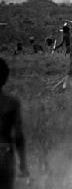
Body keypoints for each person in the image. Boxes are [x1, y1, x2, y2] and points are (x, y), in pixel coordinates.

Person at [0, 58, 29, 189]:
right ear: (5, 78)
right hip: (5, 154)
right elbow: (18, 136)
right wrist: (23, 162)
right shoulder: (11, 103)